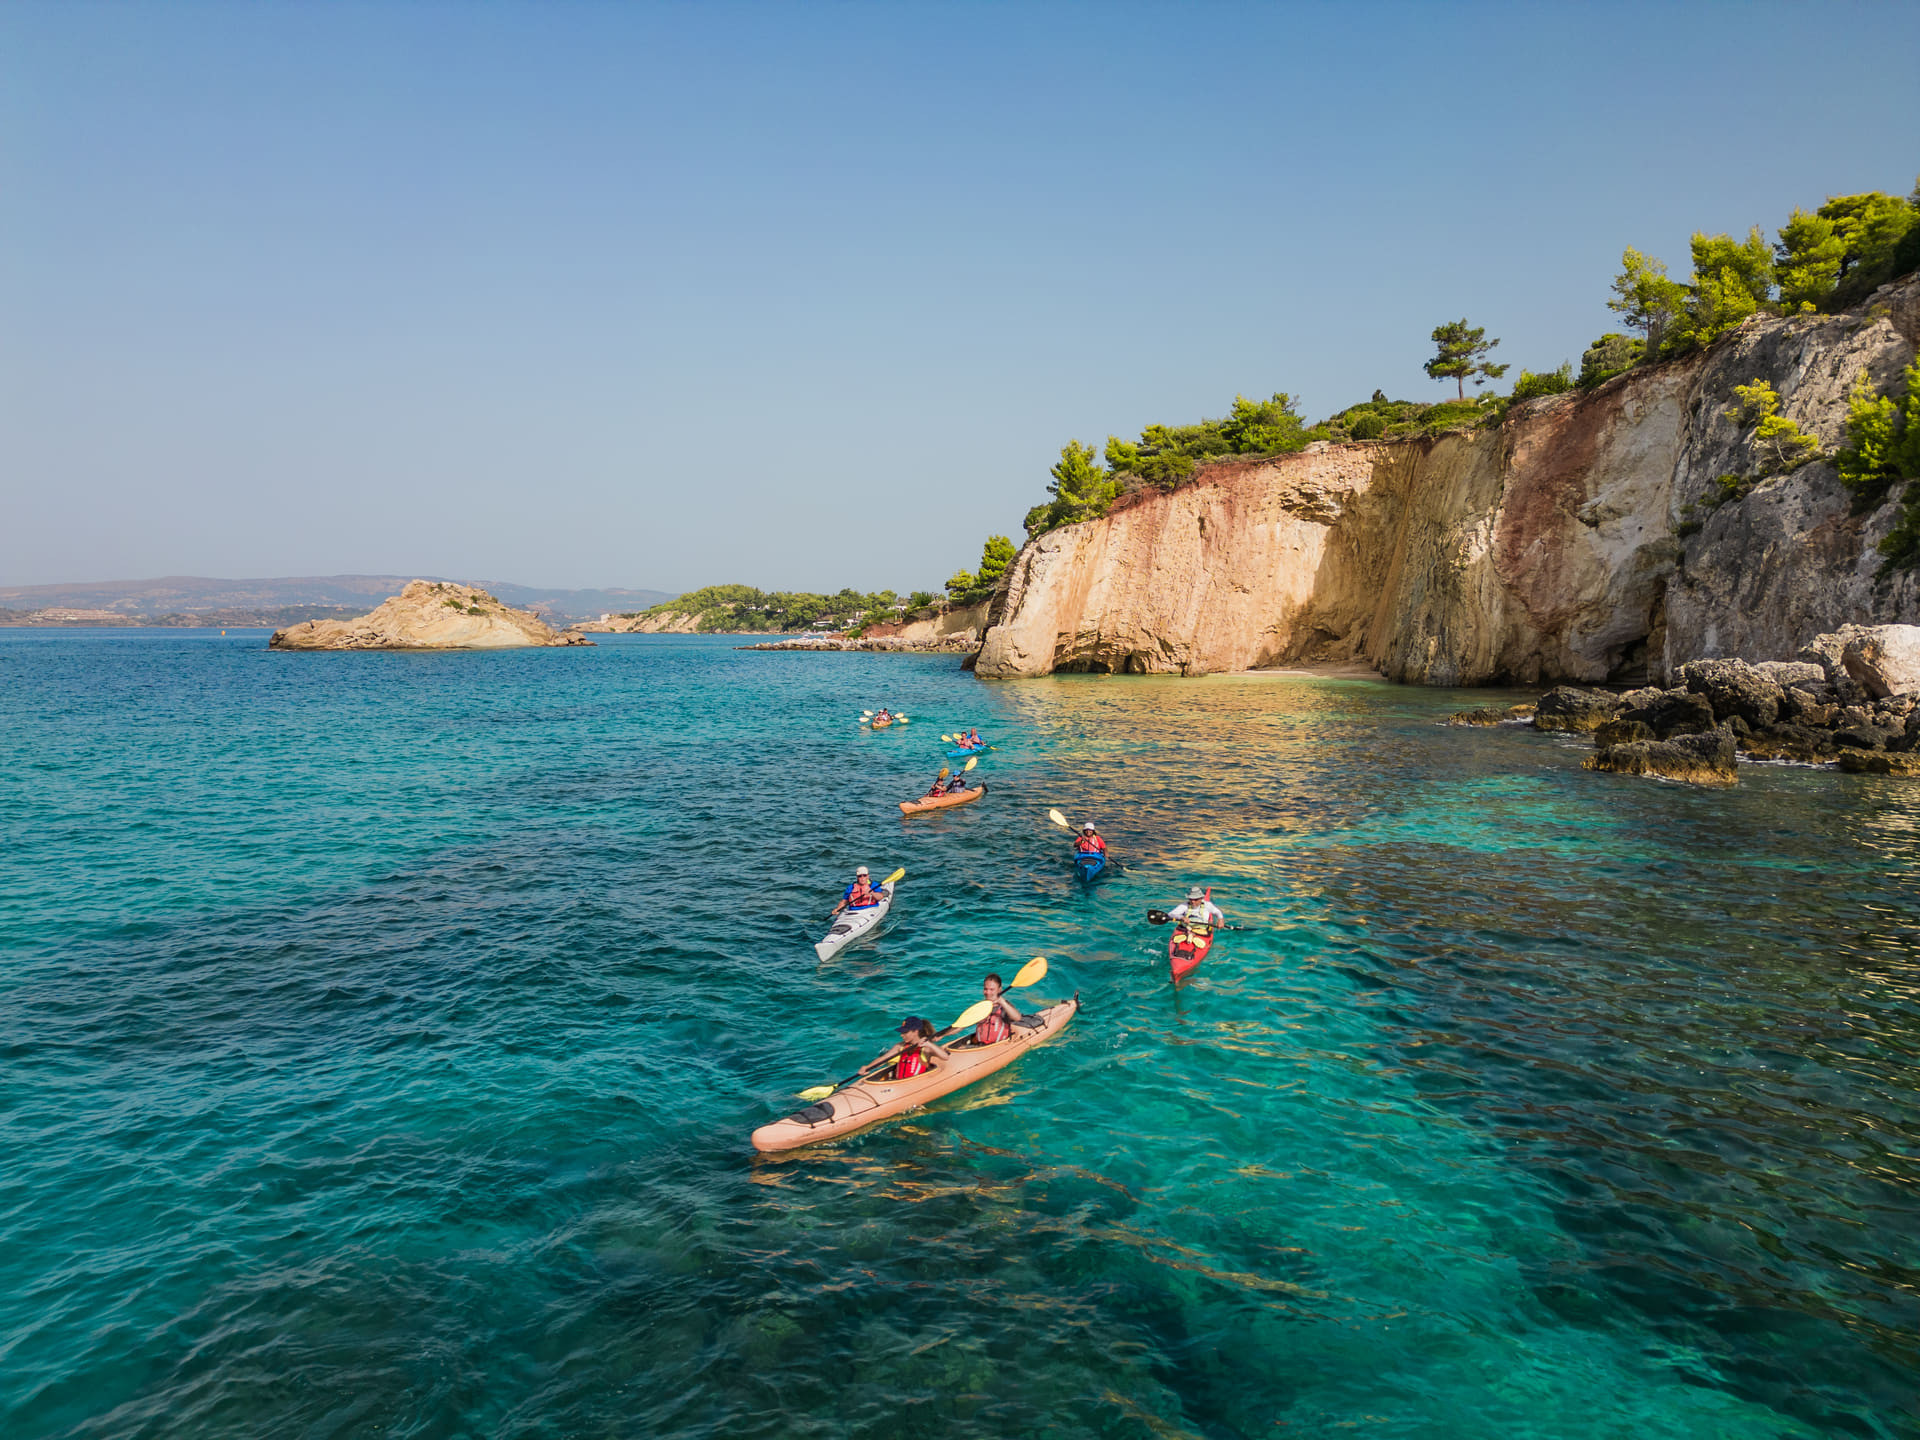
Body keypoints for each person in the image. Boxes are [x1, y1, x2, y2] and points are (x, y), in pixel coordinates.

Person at [867, 1016, 951, 1080]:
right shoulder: (900, 1046)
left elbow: (945, 1057)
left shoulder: (925, 1048)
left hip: (914, 1083)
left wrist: (929, 1044)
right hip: (897, 1081)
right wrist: (867, 1067)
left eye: (905, 1032)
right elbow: (883, 1058)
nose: (901, 1035)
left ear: (915, 1031)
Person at [970, 972, 1024, 1046]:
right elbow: (962, 1025)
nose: (988, 992)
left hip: (998, 1046)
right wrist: (948, 1032)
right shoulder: (980, 1007)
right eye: (985, 989)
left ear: (999, 989)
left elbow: (1017, 1018)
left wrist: (1002, 1002)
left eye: (992, 989)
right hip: (979, 1045)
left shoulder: (1004, 1007)